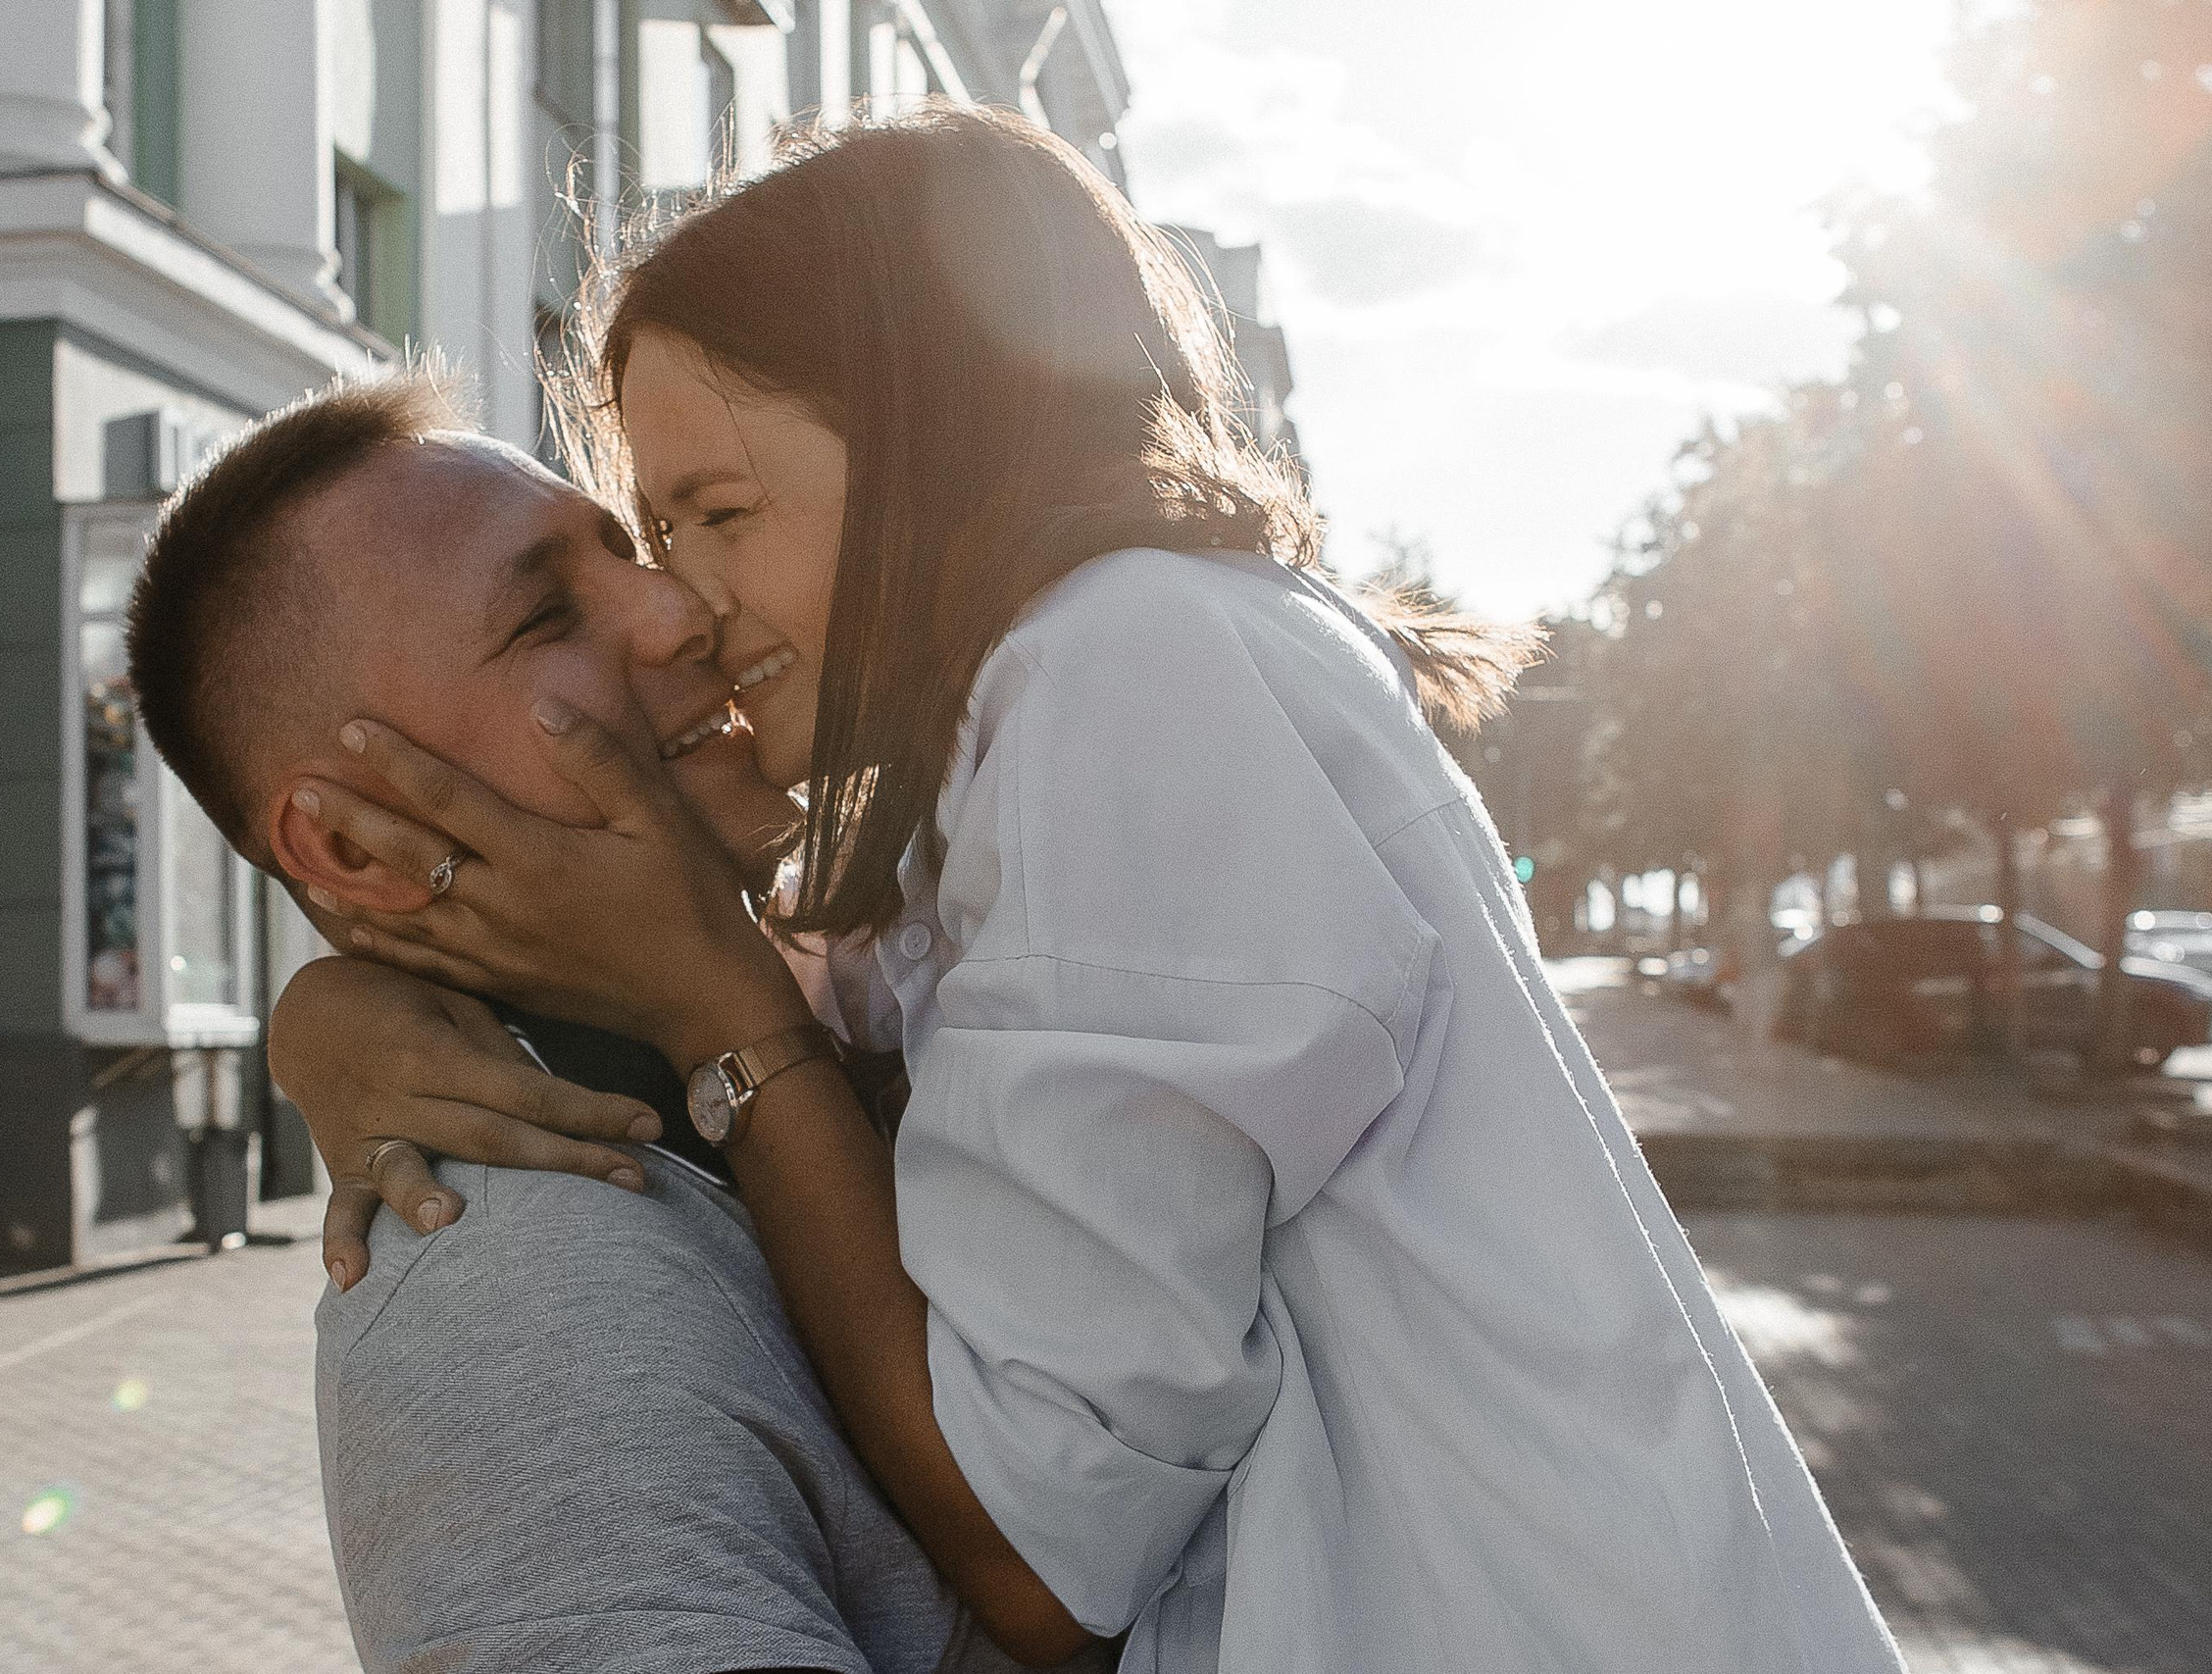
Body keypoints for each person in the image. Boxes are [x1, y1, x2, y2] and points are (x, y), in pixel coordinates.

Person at [272, 107, 1908, 1673]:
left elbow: (1039, 1544)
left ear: (929, 442)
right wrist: (338, 1011)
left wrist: (720, 1011)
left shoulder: (1122, 671)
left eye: (717, 514)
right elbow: (859, 1049)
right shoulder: (1073, 715)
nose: (683, 608)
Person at [122, 373, 1092, 1674]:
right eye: (543, 616)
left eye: (631, 552)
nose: (683, 609)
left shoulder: (905, 952)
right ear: (349, 839)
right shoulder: (515, 1306)